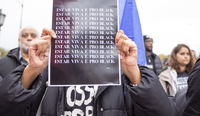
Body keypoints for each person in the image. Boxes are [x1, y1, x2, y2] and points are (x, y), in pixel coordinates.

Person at [0, 28, 176, 116]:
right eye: (80, 45)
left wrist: (133, 71)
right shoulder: (50, 78)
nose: (87, 51)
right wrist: (33, 69)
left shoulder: (121, 80)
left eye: (94, 45)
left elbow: (163, 112)